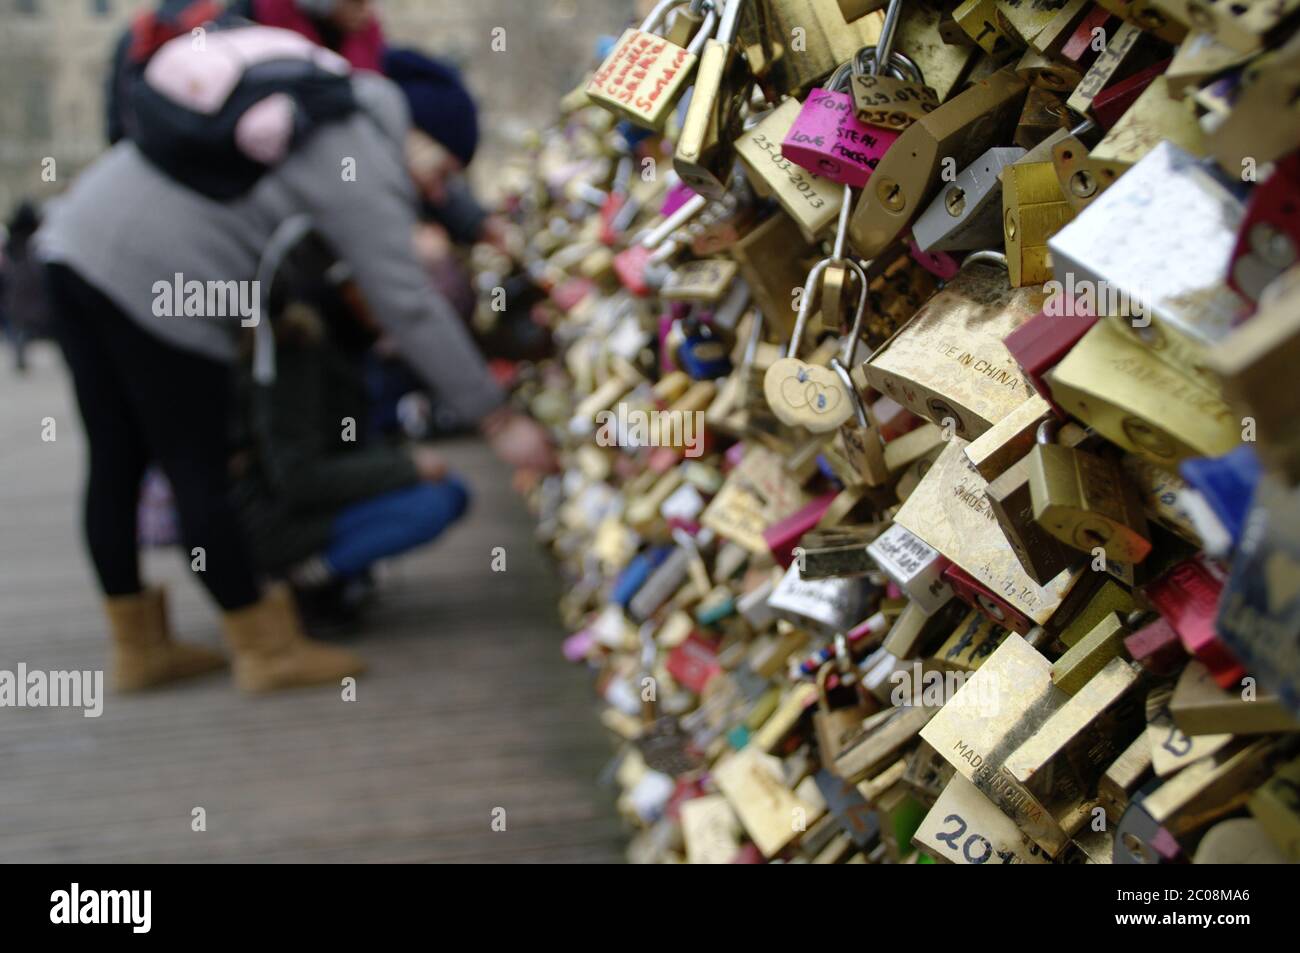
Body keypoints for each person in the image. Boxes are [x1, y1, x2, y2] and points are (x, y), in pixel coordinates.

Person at [39, 29, 554, 695]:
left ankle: (138, 647)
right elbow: (408, 303)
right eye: (444, 169)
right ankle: (264, 647)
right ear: (423, 137)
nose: (439, 188)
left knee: (114, 456)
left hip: (74, 240)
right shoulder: (355, 149)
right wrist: (498, 418)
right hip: (164, 280)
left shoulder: (324, 93)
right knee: (196, 463)